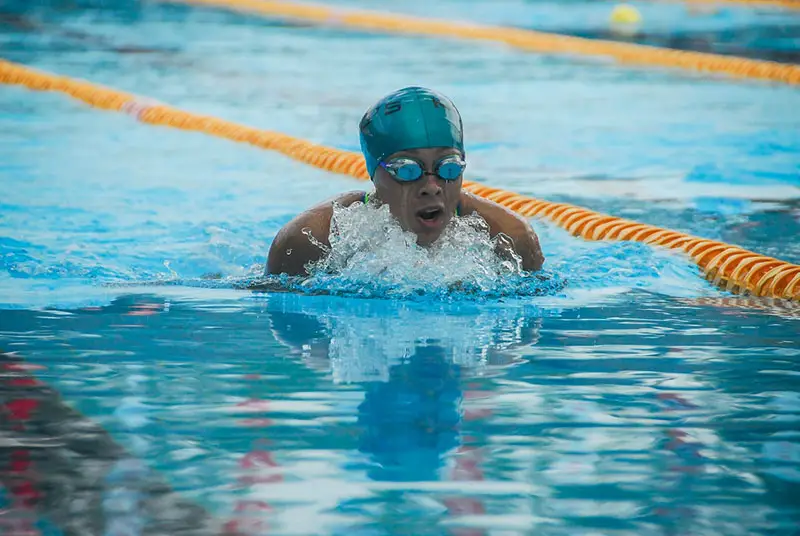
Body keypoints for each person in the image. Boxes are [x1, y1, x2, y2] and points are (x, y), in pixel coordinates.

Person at [267, 86, 544, 276]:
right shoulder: (311, 239)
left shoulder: (510, 238)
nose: (432, 186)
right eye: (408, 169)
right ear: (375, 174)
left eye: (448, 168)